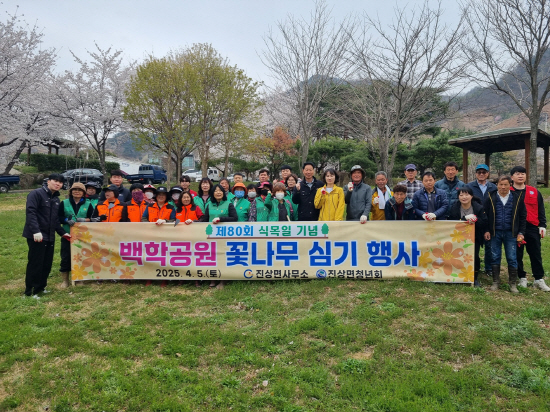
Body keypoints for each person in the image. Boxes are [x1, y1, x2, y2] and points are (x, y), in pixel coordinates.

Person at [22, 173, 71, 297]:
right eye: (55, 181)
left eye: (60, 182)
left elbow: (55, 220)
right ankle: (30, 291)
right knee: (36, 263)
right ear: (48, 181)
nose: (58, 184)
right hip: (37, 236)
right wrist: (36, 231)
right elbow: (31, 213)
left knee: (46, 263)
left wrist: (63, 233)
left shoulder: (56, 199)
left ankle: (40, 287)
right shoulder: (36, 194)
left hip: (50, 236)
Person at [484, 176, 527, 293]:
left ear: (510, 185)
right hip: (495, 232)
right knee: (495, 256)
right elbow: (485, 215)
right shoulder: (490, 197)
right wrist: (486, 230)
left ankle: (512, 283)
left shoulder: (517, 197)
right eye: (500, 184)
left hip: (511, 233)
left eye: (505, 184)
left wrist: (521, 232)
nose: (503, 187)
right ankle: (495, 281)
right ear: (497, 185)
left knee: (512, 258)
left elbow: (523, 216)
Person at [510, 166, 550, 291]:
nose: (520, 176)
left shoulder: (534, 191)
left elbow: (541, 209)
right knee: (517, 254)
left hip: (532, 226)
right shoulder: (509, 191)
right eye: (517, 173)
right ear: (512, 177)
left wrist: (542, 225)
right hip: (515, 227)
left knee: (535, 253)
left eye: (523, 173)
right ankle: (522, 277)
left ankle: (539, 279)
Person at [199, 184, 237, 289]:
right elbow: (205, 220)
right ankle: (213, 279)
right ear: (212, 193)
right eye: (215, 191)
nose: (218, 192)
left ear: (223, 193)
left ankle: (223, 280)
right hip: (211, 236)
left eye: (220, 190)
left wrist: (221, 219)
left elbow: (234, 218)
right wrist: (193, 222)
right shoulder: (209, 205)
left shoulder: (229, 204)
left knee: (223, 257)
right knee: (212, 257)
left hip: (225, 235)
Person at [448, 187, 488, 287]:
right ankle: (458, 275)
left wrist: (476, 219)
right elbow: (451, 221)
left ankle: (475, 277)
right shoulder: (455, 207)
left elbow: (484, 222)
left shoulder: (478, 208)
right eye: (461, 195)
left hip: (474, 236)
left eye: (466, 195)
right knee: (458, 255)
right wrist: (463, 219)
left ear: (471, 196)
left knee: (474, 256)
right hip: (458, 236)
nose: (464, 197)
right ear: (458, 197)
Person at [58, 182, 94, 288]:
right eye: (74, 190)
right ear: (71, 192)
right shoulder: (64, 203)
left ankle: (79, 278)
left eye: (79, 190)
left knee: (81, 256)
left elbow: (92, 218)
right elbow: (58, 217)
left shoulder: (88, 204)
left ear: (83, 193)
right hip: (67, 234)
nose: (77, 192)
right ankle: (65, 280)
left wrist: (84, 220)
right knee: (66, 257)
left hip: (82, 235)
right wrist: (66, 220)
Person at [467, 164, 498, 279]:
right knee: (473, 244)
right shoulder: (469, 186)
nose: (481, 174)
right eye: (479, 172)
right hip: (474, 218)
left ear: (487, 174)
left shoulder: (493, 187)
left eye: (484, 172)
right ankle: (474, 266)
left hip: (489, 218)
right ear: (476, 174)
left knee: (489, 245)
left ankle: (489, 267)